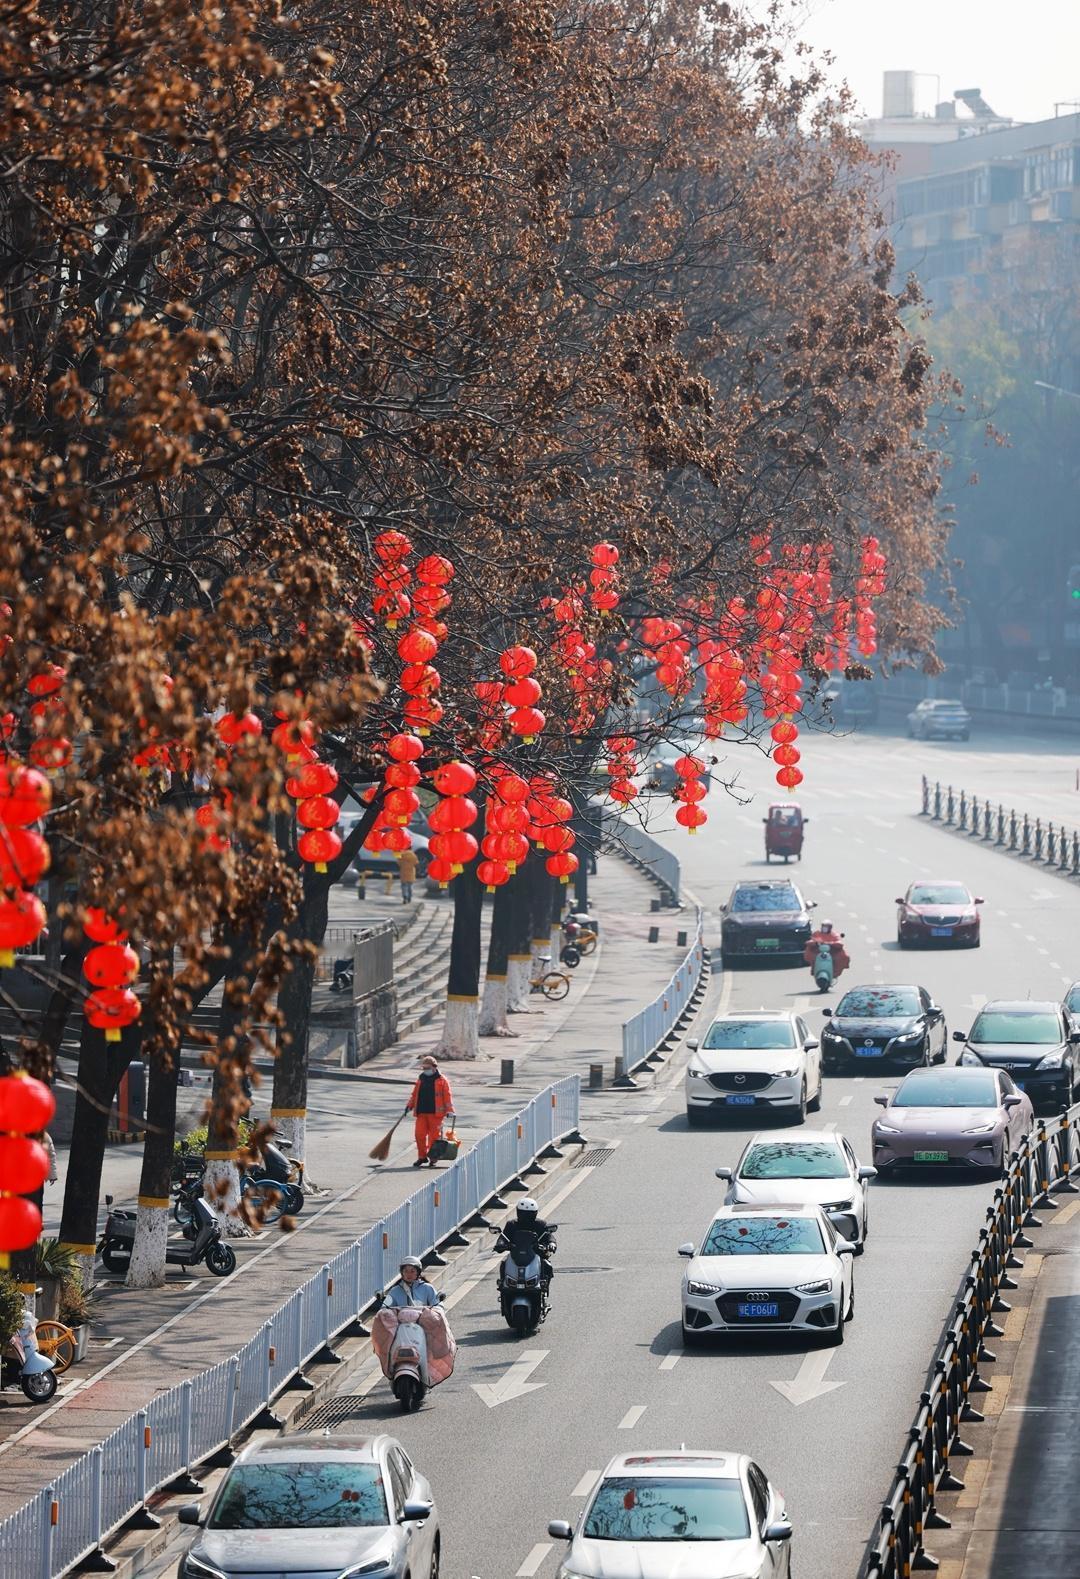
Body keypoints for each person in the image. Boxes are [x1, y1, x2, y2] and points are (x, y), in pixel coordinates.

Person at [406, 1055, 454, 1167]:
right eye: (424, 1068)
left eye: (427, 1068)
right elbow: (414, 1095)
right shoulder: (421, 1079)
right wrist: (409, 1105)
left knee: (434, 1137)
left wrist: (450, 1110)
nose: (425, 1070)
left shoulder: (442, 1080)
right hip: (421, 1112)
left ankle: (433, 1158)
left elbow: (447, 1096)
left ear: (434, 1067)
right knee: (419, 1135)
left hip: (436, 1114)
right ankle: (422, 1157)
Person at [499, 1198, 555, 1290]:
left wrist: (551, 1244)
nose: (526, 1217)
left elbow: (548, 1236)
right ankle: (502, 1285)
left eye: (529, 1214)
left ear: (535, 1213)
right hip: (516, 1255)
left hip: (535, 1254)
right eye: (523, 1213)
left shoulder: (540, 1224)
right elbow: (503, 1237)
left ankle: (544, 1287)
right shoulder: (512, 1224)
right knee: (504, 1264)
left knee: (547, 1265)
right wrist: (500, 1244)